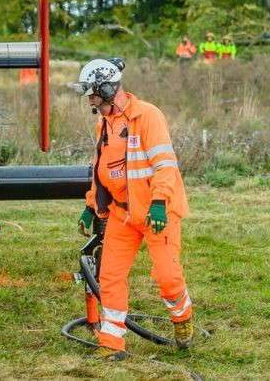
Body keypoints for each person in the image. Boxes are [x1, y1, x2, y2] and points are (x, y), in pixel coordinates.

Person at [72, 58, 194, 361]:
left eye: (93, 93)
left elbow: (166, 165)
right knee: (110, 276)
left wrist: (159, 203)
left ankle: (182, 317)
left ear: (108, 88)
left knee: (167, 276)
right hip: (122, 214)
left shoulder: (148, 116)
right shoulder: (105, 123)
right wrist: (91, 206)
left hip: (156, 211)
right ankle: (111, 344)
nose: (90, 100)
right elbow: (101, 170)